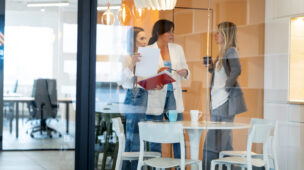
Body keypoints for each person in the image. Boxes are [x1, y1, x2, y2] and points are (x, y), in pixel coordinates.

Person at [202, 21, 247, 169]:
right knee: (224, 142)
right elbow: (220, 75)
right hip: (217, 102)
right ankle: (232, 167)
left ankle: (210, 167)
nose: (215, 35)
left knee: (213, 142)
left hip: (224, 102)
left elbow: (237, 70)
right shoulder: (222, 53)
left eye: (219, 33)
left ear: (226, 35)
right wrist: (211, 68)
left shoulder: (231, 51)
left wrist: (226, 89)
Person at [145, 19, 190, 159]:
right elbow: (143, 78)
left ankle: (180, 165)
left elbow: (186, 69)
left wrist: (185, 72)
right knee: (155, 136)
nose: (172, 34)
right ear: (159, 32)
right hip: (156, 96)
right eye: (169, 31)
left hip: (173, 97)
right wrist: (158, 72)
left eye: (172, 31)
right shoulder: (148, 51)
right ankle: (155, 166)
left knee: (178, 133)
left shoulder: (178, 49)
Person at [119, 26, 148, 170]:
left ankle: (131, 167)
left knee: (136, 134)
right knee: (133, 135)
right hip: (132, 95)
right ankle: (131, 167)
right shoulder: (126, 56)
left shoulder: (146, 56)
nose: (145, 42)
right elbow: (122, 81)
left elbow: (145, 80)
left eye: (145, 38)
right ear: (133, 41)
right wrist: (133, 63)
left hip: (144, 93)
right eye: (141, 38)